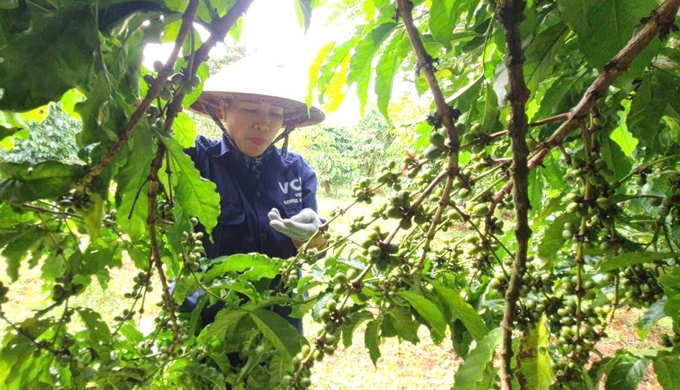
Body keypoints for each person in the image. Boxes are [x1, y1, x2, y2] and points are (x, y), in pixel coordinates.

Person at [178, 57, 327, 333]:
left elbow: (314, 250)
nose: (263, 124)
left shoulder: (297, 171)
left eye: (275, 114)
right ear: (223, 109)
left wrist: (312, 235)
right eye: (250, 110)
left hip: (279, 320)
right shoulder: (195, 159)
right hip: (210, 318)